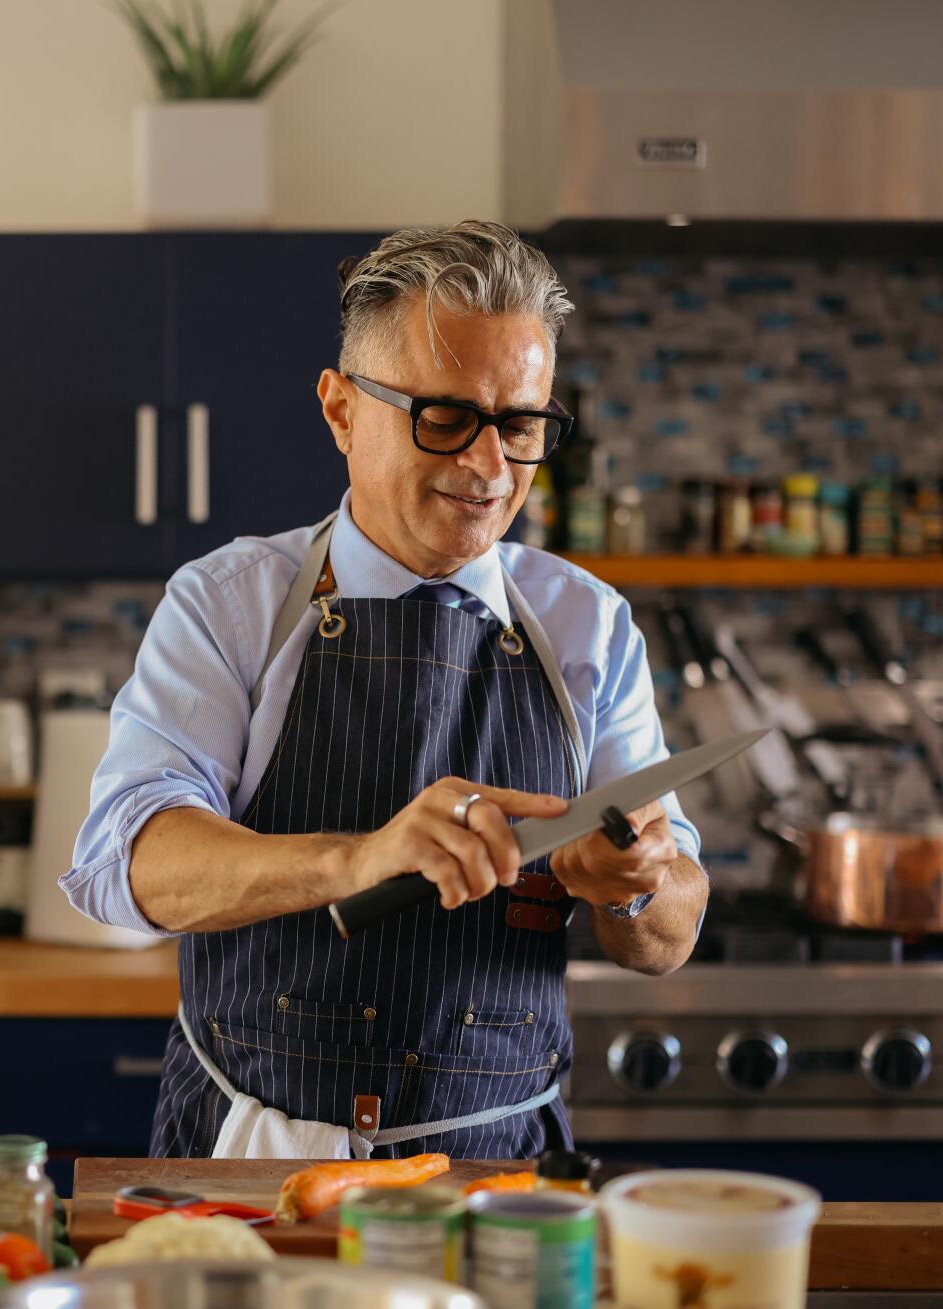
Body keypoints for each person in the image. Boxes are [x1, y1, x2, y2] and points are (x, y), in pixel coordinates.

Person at [62, 222, 704, 1159]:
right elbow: (132, 863)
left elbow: (674, 924)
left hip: (503, 1174)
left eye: (521, 425)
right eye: (444, 417)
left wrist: (635, 888)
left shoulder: (588, 626)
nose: (489, 468)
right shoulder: (231, 604)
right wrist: (356, 861)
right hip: (255, 1160)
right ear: (339, 411)